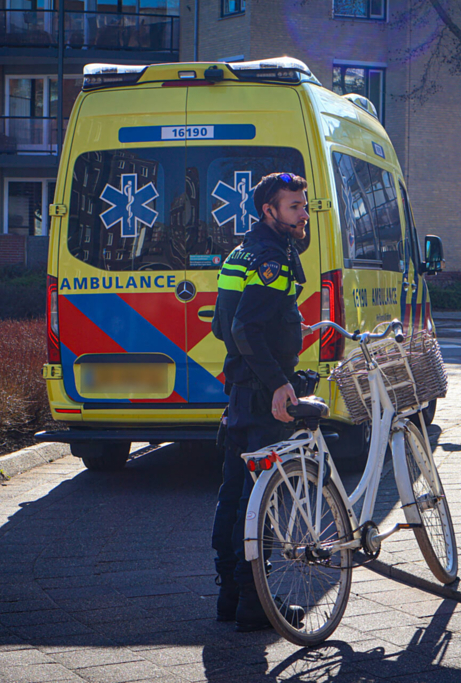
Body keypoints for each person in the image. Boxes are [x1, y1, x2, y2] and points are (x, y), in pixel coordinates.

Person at [210, 172, 312, 632]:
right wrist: (277, 383)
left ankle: (230, 597)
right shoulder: (273, 258)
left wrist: (288, 329)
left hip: (239, 392)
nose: (304, 215)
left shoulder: (242, 252)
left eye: (304, 205)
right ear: (269, 211)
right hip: (260, 395)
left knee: (234, 494)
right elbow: (244, 328)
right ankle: (256, 603)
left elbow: (222, 325)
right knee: (262, 499)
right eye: (294, 207)